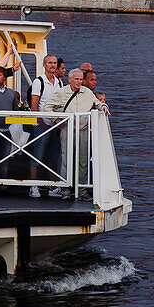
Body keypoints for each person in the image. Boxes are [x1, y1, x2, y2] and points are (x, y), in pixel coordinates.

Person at [42, 68, 110, 199]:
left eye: (80, 79)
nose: (79, 82)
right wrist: (57, 121)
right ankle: (65, 191)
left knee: (83, 162)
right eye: (76, 79)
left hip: (83, 130)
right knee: (66, 160)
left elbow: (97, 104)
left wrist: (104, 107)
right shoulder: (62, 93)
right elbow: (47, 107)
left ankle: (82, 191)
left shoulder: (87, 92)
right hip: (67, 130)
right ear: (70, 80)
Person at [26, 54, 65, 196]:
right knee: (37, 155)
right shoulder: (39, 82)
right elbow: (34, 104)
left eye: (54, 63)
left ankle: (52, 186)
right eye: (50, 63)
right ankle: (33, 186)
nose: (52, 65)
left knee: (53, 155)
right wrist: (40, 121)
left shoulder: (59, 83)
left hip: (55, 125)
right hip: (42, 125)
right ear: (44, 64)